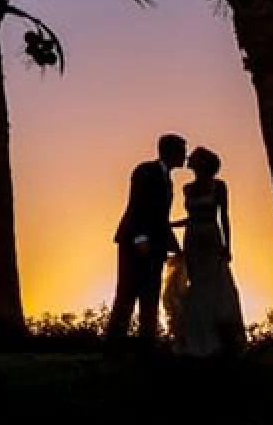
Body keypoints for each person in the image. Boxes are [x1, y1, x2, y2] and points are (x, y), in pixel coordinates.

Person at [106, 133, 185, 348]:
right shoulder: (145, 171)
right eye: (182, 150)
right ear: (171, 151)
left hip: (156, 245)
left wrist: (175, 247)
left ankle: (147, 344)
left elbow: (161, 218)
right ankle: (113, 345)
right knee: (127, 292)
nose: (185, 156)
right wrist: (141, 239)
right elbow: (138, 205)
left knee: (150, 293)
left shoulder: (168, 179)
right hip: (135, 242)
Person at [170, 146, 247, 358]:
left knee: (215, 285)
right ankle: (199, 338)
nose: (189, 160)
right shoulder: (187, 189)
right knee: (196, 286)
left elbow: (224, 217)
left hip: (211, 237)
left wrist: (227, 246)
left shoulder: (219, 187)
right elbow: (191, 218)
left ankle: (222, 338)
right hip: (193, 238)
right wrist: (171, 225)